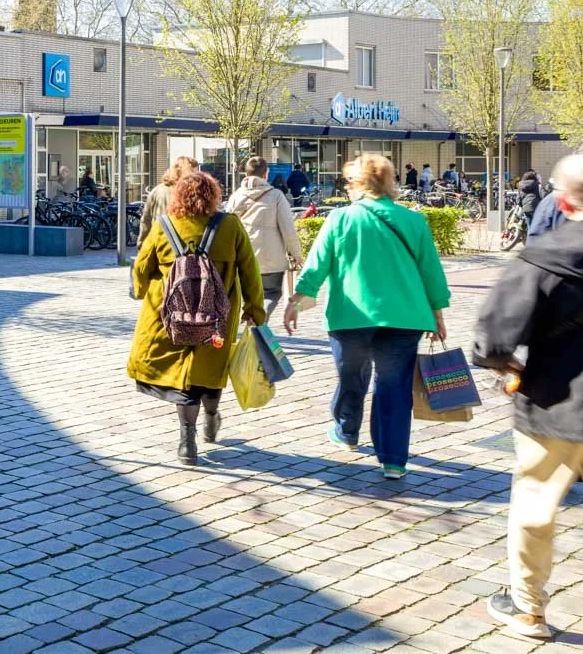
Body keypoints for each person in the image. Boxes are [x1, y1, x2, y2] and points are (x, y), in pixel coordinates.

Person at [471, 154, 583, 642]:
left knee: (536, 504)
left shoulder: (543, 257)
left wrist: (508, 365)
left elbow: (491, 339)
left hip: (556, 400)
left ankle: (528, 609)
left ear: (563, 201)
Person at [284, 154, 451, 480]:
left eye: (349, 181)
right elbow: (431, 273)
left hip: (352, 316)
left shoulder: (341, 219)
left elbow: (317, 265)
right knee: (394, 388)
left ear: (360, 184)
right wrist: (438, 314)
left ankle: (347, 431)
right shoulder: (414, 221)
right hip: (404, 318)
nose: (346, 187)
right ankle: (393, 460)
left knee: (352, 377)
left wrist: (296, 301)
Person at [128, 170, 264, 465]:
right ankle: (212, 416)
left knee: (183, 379)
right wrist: (255, 311)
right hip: (216, 318)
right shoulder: (230, 226)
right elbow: (250, 272)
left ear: (178, 195)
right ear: (214, 196)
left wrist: (140, 291)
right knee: (208, 371)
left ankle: (186, 443)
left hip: (169, 317)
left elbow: (141, 268)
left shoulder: (164, 226)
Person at [228, 156, 303, 318]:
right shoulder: (276, 196)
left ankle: (252, 322)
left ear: (246, 174)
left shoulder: (235, 196)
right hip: (271, 260)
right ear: (265, 174)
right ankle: (258, 323)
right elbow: (288, 228)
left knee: (247, 296)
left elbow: (227, 227)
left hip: (242, 257)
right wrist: (296, 254)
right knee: (271, 293)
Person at [138, 155, 200, 245]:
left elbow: (146, 220)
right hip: (181, 245)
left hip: (158, 242)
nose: (198, 176)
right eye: (195, 173)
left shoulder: (156, 191)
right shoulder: (189, 192)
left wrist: (141, 244)